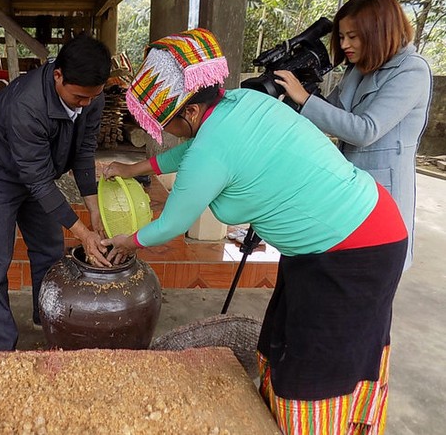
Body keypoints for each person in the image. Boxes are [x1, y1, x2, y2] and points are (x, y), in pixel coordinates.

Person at [102, 28, 407, 434]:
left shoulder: (212, 146)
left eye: (166, 124)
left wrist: (126, 242)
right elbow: (187, 151)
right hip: (345, 234)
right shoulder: (240, 102)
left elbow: (170, 225)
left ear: (191, 112)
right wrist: (133, 168)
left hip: (354, 250)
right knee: (282, 338)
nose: (165, 134)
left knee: (315, 369)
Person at [0, 34, 111, 351]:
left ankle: (44, 317)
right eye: (78, 98)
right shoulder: (27, 104)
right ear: (58, 75)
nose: (85, 105)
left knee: (48, 247)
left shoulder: (91, 96)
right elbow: (38, 181)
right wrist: (84, 233)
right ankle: (2, 347)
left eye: (92, 98)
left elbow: (84, 153)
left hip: (37, 171)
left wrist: (94, 211)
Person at [274, 0, 432, 270]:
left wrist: (305, 98)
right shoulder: (359, 68)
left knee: (369, 281)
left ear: (378, 32)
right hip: (347, 188)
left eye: (353, 36)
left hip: (381, 197)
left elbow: (365, 130)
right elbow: (331, 110)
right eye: (342, 36)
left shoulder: (411, 71)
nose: (345, 44)